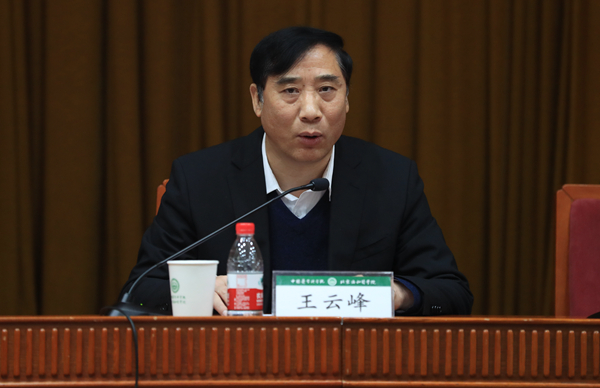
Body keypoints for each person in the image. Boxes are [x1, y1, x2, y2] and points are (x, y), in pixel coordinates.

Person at [120, 26, 473, 316]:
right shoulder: (199, 179)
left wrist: (396, 294)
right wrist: (198, 291)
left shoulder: (391, 179)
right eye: (290, 91)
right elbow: (139, 290)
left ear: (347, 98)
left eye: (327, 90)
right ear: (257, 99)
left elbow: (451, 291)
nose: (311, 110)